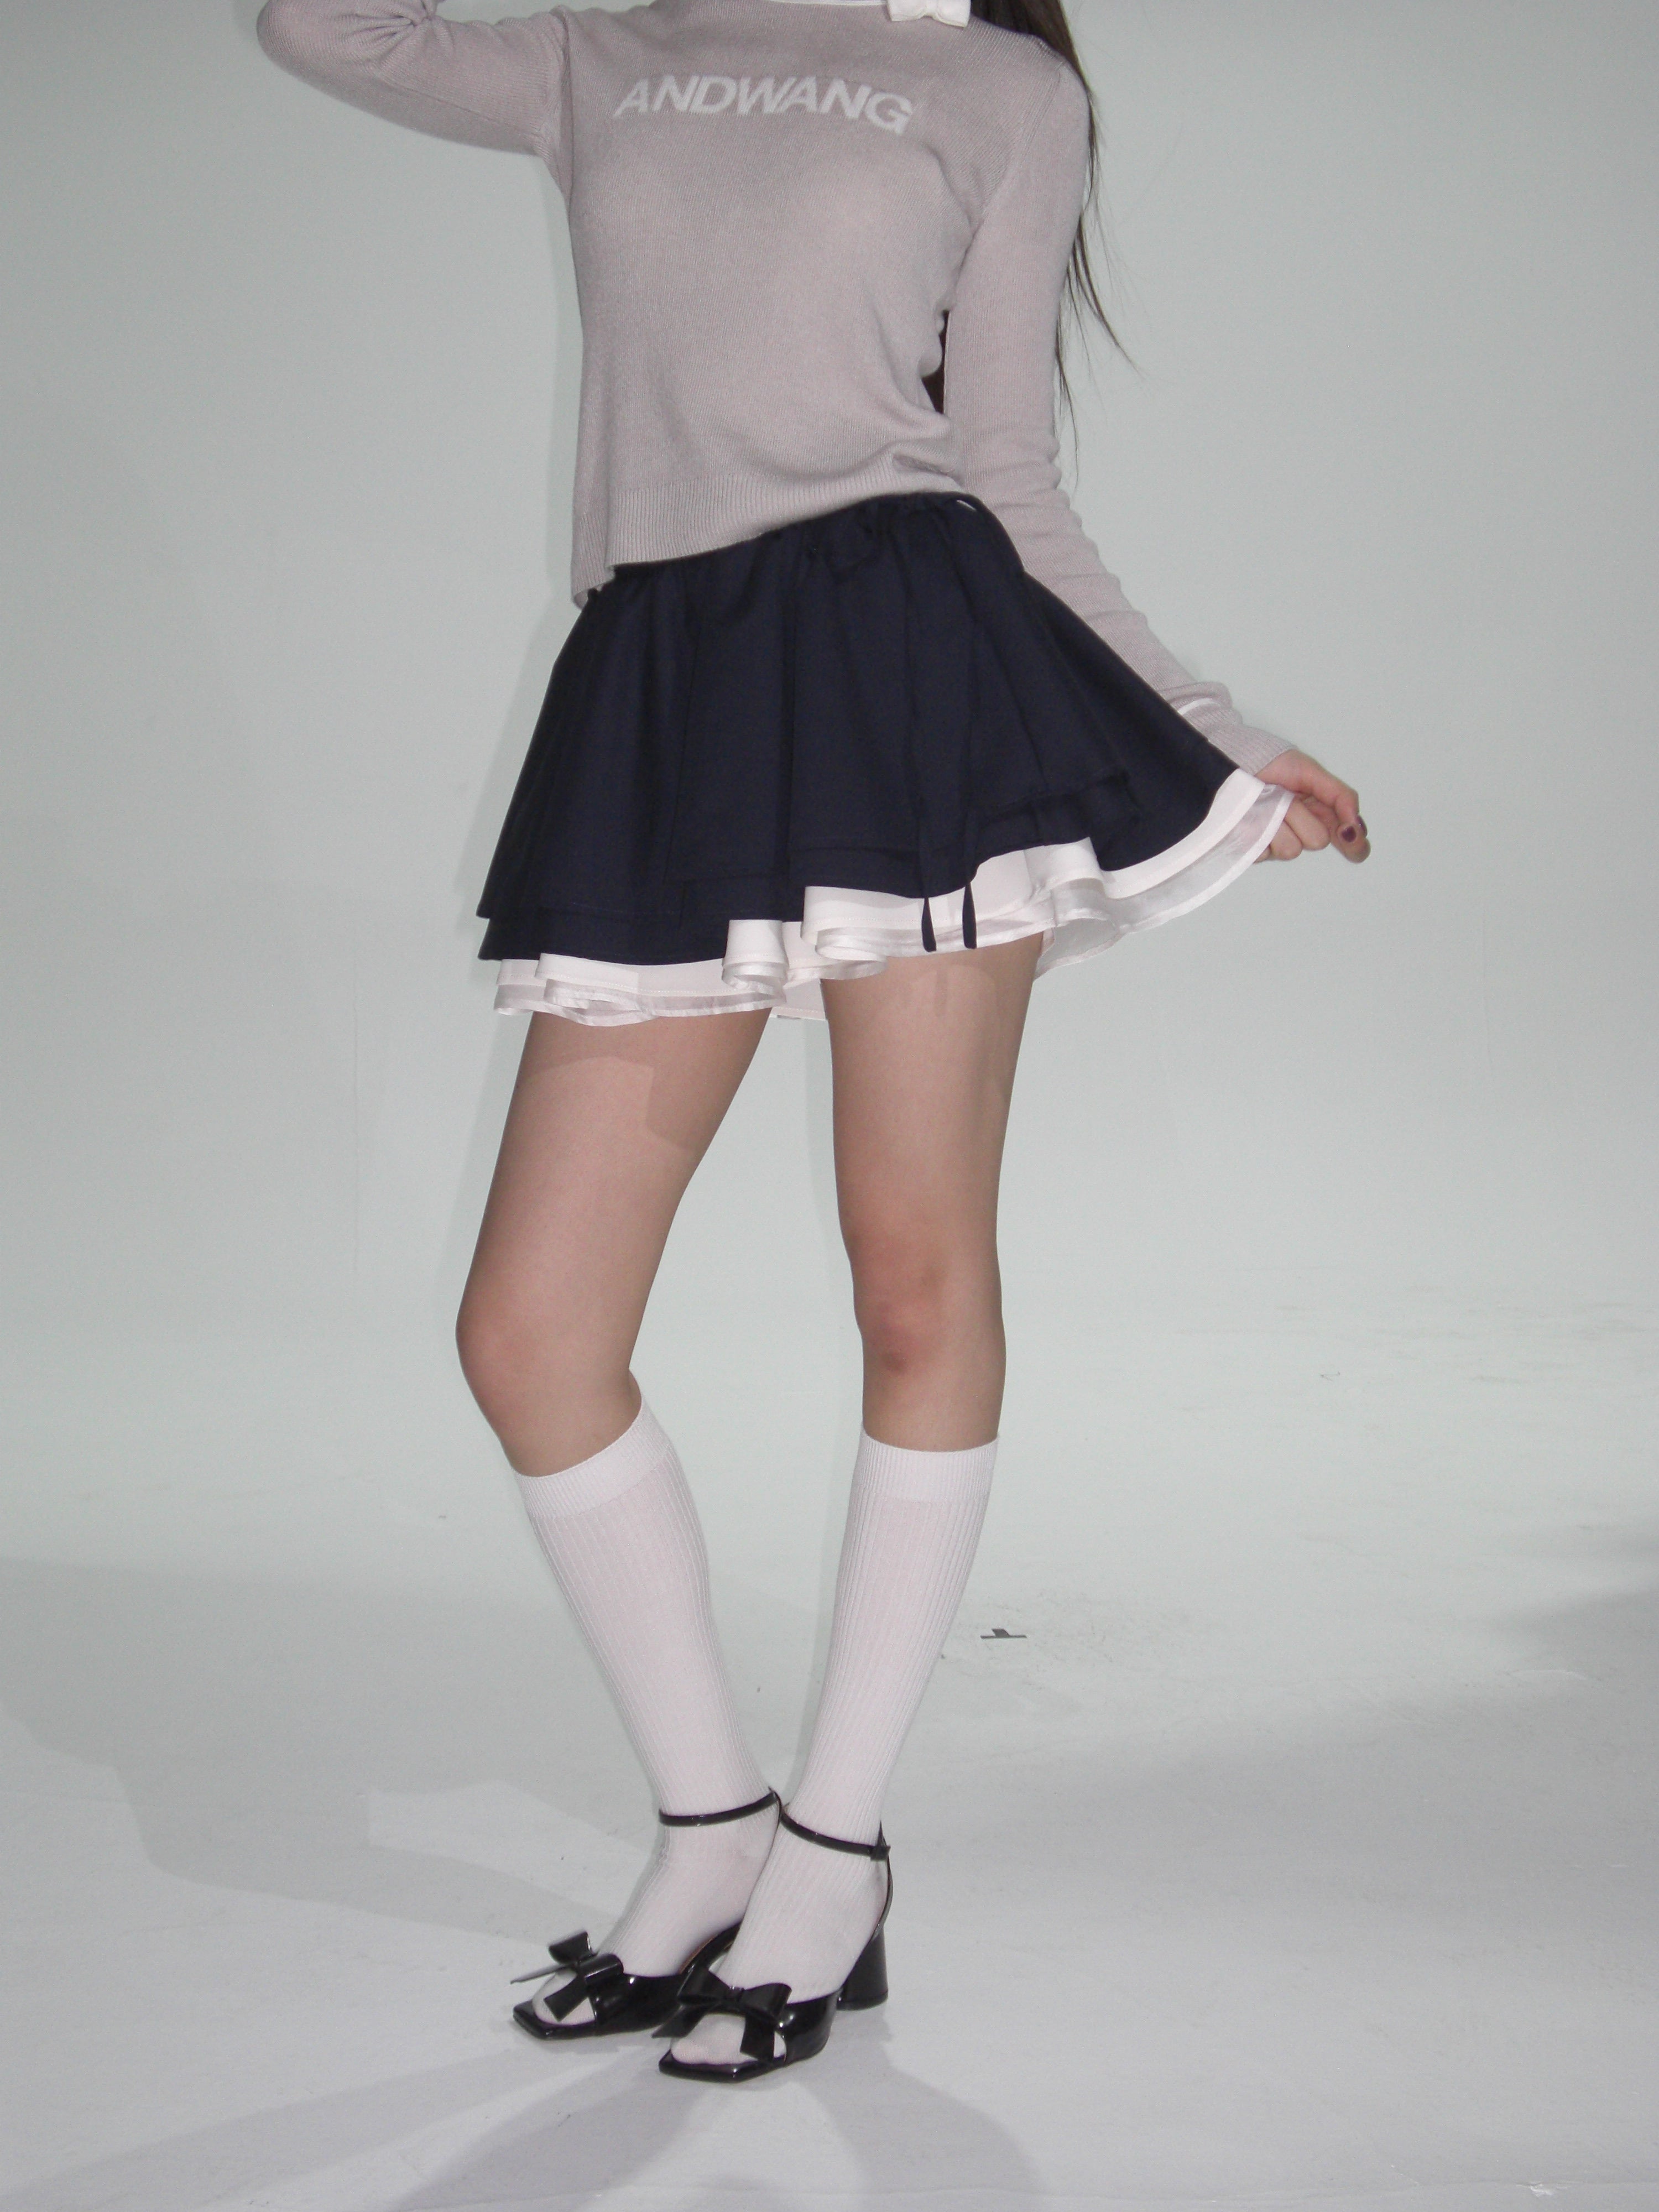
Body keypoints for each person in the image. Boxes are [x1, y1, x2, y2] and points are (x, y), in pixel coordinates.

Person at [256, 0, 1368, 2082]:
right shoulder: (613, 54)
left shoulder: (999, 89)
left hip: (912, 668)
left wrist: (1215, 731)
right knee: (530, 1332)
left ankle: (835, 1851)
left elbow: (1008, 472)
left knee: (913, 1273)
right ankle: (712, 1827)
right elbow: (325, 29)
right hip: (668, 680)